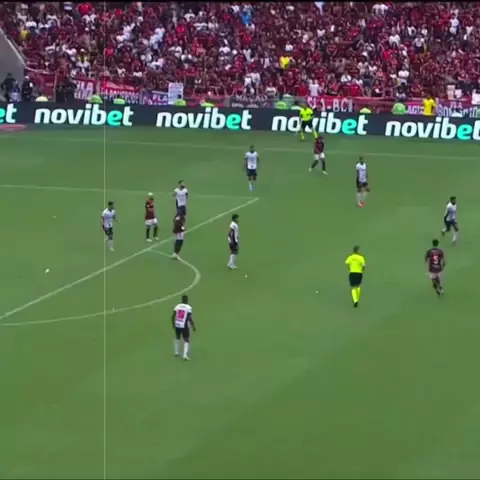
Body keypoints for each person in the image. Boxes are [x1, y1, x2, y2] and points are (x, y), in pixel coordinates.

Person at [172, 295, 196, 360]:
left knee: (177, 337)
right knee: (186, 339)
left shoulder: (177, 306)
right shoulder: (188, 307)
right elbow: (189, 317)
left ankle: (176, 352)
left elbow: (173, 316)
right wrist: (193, 325)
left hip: (177, 324)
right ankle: (185, 355)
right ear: (187, 300)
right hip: (184, 325)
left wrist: (173, 324)